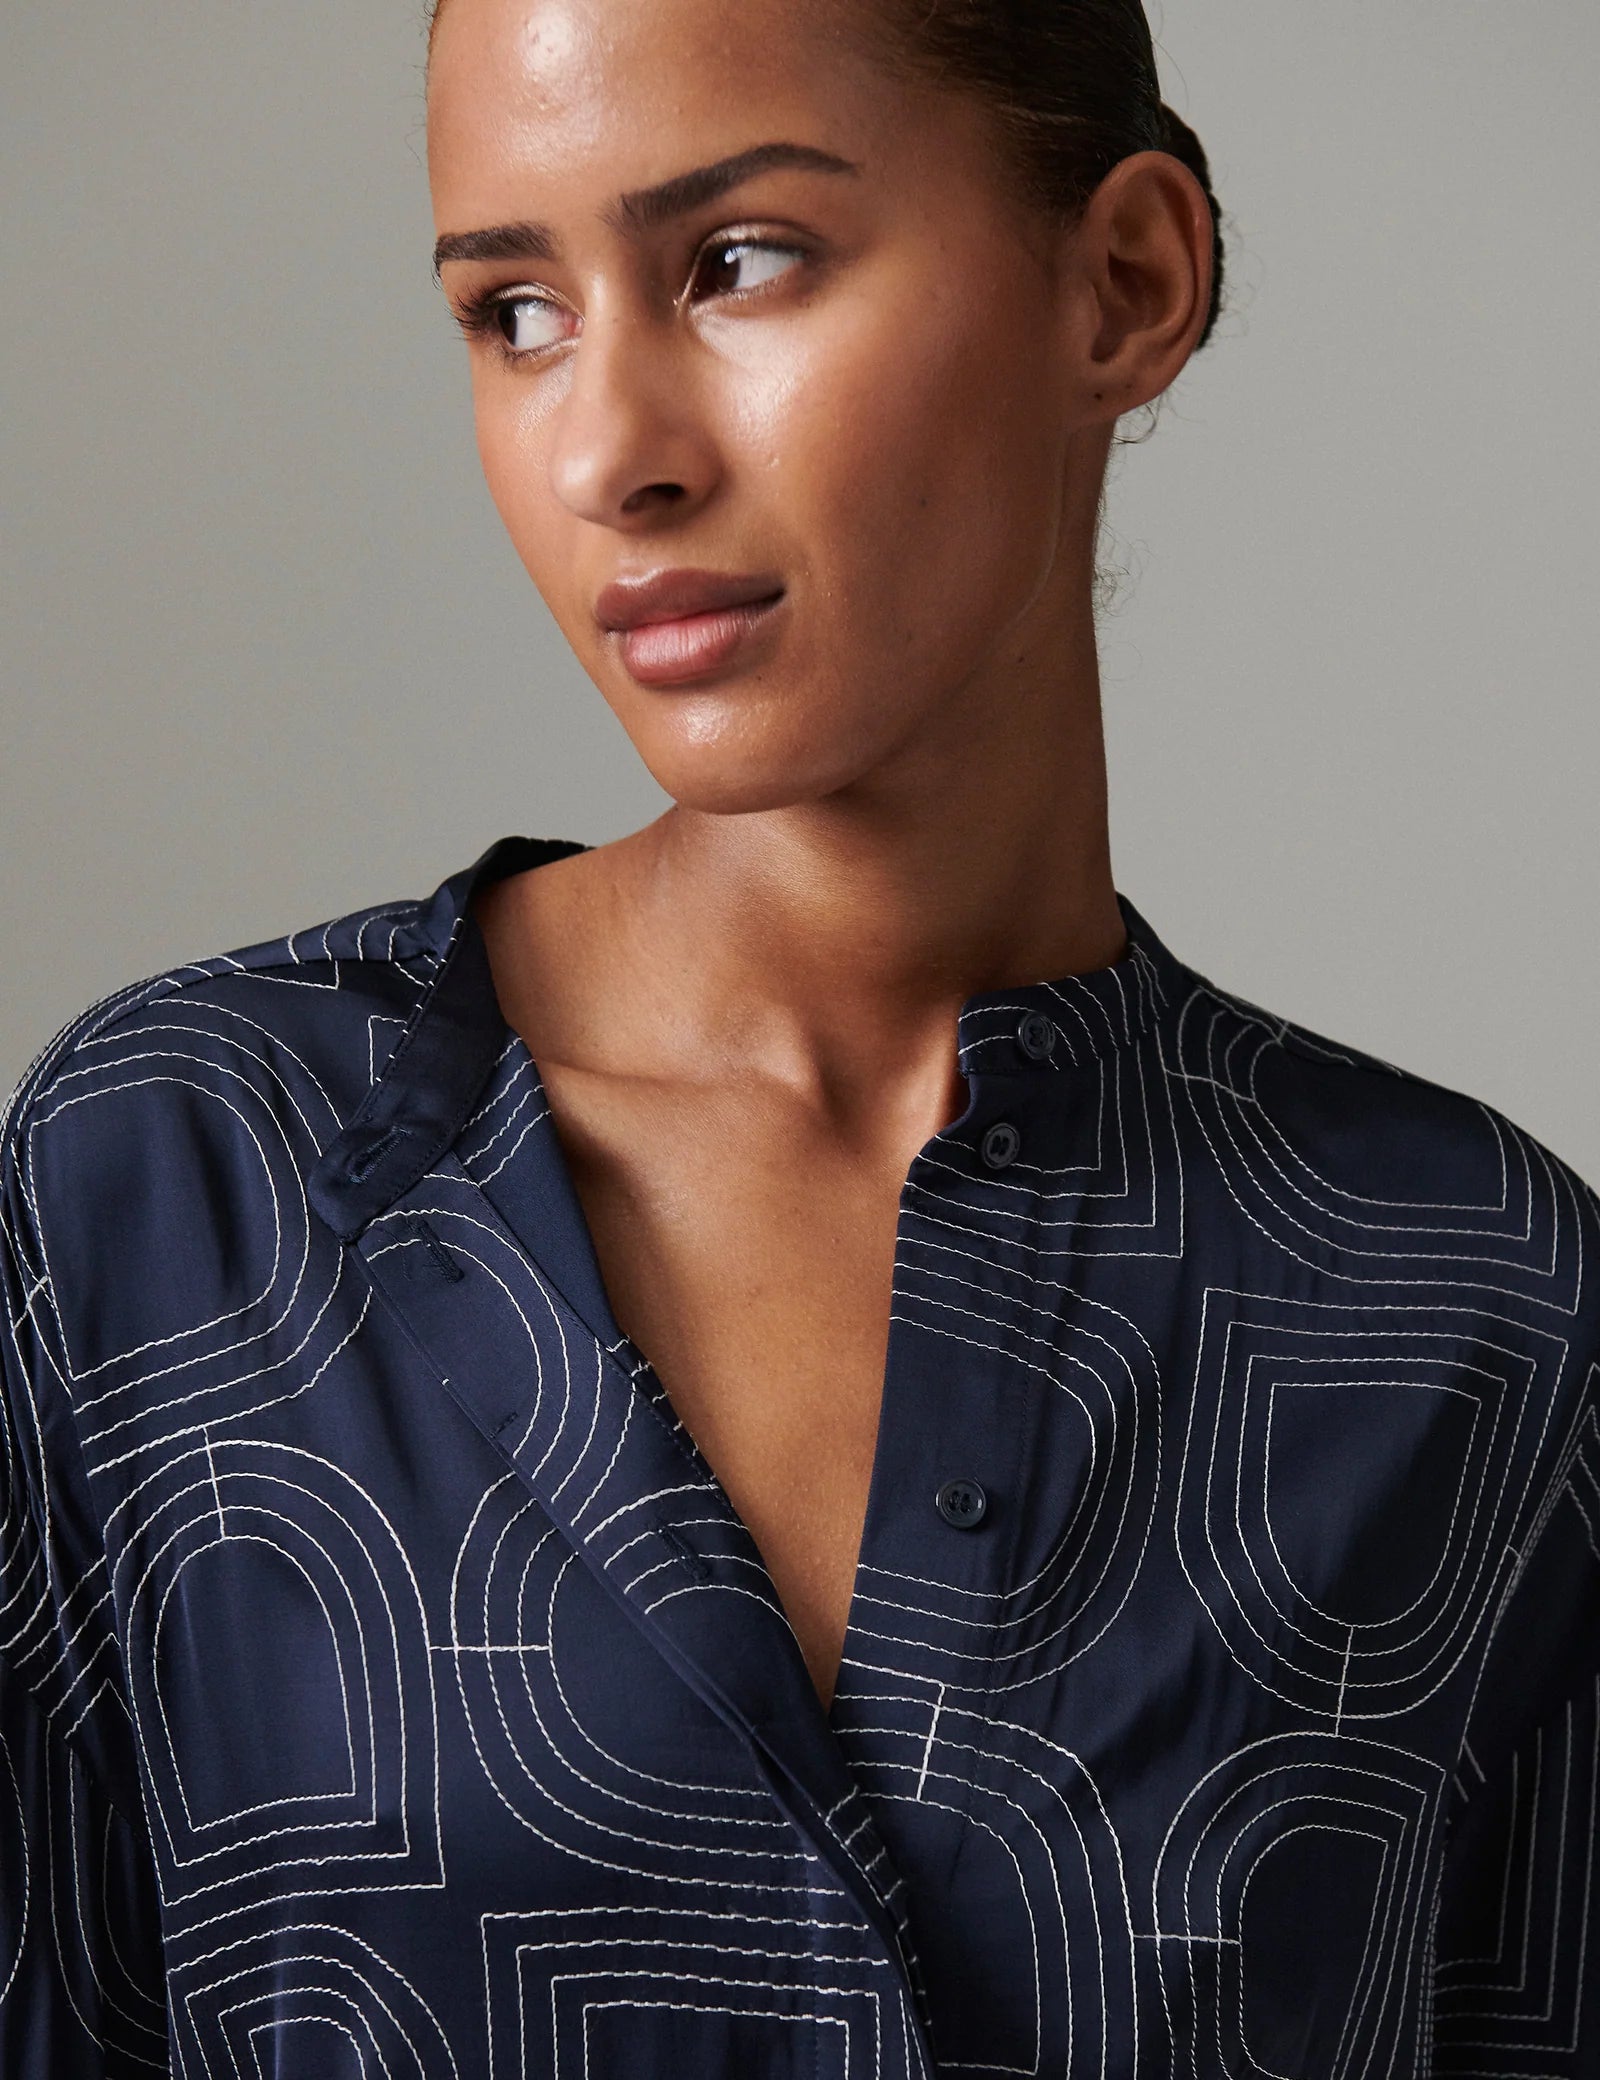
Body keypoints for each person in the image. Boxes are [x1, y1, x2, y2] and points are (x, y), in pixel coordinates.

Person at [2, 0, 1596, 2071]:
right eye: (509, 310)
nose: (608, 450)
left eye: (736, 260)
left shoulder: (1470, 1296)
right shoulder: (177, 1184)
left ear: (1125, 282)